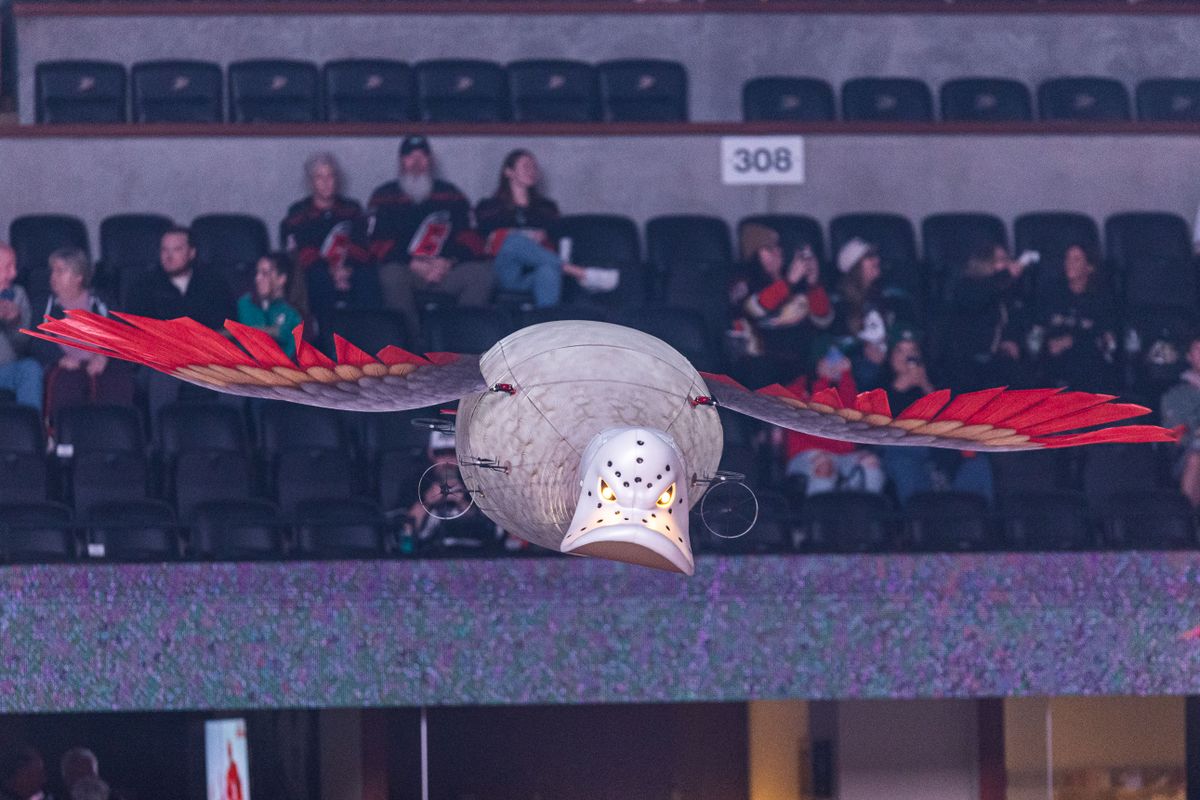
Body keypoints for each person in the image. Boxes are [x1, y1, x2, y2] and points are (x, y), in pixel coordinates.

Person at [367, 136, 493, 342]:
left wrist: (448, 261)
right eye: (410, 157)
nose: (416, 163)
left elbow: (472, 239)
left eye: (422, 157)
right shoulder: (384, 196)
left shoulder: (451, 194)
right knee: (390, 275)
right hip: (408, 270)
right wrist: (413, 263)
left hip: (447, 269)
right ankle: (412, 346)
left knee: (481, 274)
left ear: (430, 161)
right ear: (401, 161)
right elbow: (375, 243)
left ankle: (458, 340)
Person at [125, 226, 235, 417]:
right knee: (165, 371)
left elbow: (226, 324)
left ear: (192, 253)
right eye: (164, 250)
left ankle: (230, 437)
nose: (168, 256)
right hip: (160, 359)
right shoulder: (143, 286)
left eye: (176, 250)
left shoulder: (213, 283)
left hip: (207, 354)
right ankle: (162, 440)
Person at [475, 149, 600, 308]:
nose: (532, 171)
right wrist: (521, 235)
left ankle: (545, 327)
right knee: (513, 240)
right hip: (504, 271)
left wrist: (541, 237)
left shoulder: (546, 208)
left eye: (534, 167)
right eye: (526, 166)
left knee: (548, 271)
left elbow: (557, 237)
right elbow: (487, 237)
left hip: (534, 272)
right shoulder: (489, 206)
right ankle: (581, 273)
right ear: (509, 172)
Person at [879, 333, 994, 505]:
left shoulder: (933, 379)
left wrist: (925, 385)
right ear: (891, 356)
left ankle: (969, 519)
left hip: (941, 448)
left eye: (913, 351)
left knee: (976, 459)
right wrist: (900, 386)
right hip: (902, 449)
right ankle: (918, 521)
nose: (907, 357)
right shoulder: (879, 382)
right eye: (901, 351)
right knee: (903, 458)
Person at [31, 247, 135, 423]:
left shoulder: (101, 301)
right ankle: (62, 442)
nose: (53, 277)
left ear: (79, 277)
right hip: (65, 364)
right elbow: (35, 340)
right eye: (53, 271)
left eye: (60, 271)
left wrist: (103, 356)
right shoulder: (44, 304)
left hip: (101, 361)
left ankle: (114, 440)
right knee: (66, 385)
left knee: (117, 381)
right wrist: (60, 358)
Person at [728, 224, 834, 386]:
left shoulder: (797, 282)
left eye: (778, 247)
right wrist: (789, 282)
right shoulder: (744, 284)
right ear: (755, 254)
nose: (778, 252)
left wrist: (813, 282)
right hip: (764, 363)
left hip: (802, 360)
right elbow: (754, 308)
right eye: (769, 249)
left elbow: (823, 320)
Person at [778, 339, 884, 496]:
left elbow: (852, 418)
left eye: (840, 359)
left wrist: (846, 376)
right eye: (831, 359)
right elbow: (819, 418)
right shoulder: (795, 389)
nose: (837, 364)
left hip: (841, 455)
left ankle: (862, 516)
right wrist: (823, 380)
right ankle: (816, 520)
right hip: (806, 455)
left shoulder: (844, 387)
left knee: (870, 463)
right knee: (824, 465)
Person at [1028, 242, 1118, 391]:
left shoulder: (1101, 299)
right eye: (1067, 259)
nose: (1069, 264)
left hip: (1088, 363)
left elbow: (1106, 337)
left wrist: (1071, 341)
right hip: (1053, 361)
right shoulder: (1052, 294)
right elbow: (1038, 327)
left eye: (1076, 259)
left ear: (1090, 267)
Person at [281, 153, 363, 312]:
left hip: (349, 267)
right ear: (311, 183)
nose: (326, 183)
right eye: (320, 177)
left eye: (330, 176)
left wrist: (347, 269)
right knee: (317, 277)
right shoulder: (298, 213)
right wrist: (331, 271)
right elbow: (301, 250)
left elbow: (361, 244)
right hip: (315, 271)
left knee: (367, 275)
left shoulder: (352, 208)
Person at [944, 242, 1031, 391]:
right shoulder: (967, 287)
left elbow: (1013, 320)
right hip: (968, 364)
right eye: (1001, 260)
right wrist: (1007, 274)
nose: (1007, 263)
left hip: (996, 360)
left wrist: (1011, 340)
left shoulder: (1007, 293)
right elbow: (977, 300)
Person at [832, 238, 915, 390]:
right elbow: (838, 343)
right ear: (855, 267)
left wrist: (893, 349)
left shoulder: (890, 294)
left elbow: (905, 326)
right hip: (859, 366)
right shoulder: (840, 303)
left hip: (893, 359)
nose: (877, 259)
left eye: (876, 255)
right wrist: (864, 350)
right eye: (869, 256)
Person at [0, 242, 43, 411]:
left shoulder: (17, 294)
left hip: (5, 370)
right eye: (7, 267)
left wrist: (14, 322)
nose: (14, 273)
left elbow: (23, 346)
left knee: (30, 368)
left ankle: (32, 432)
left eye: (15, 267)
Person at [237, 252, 303, 358]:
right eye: (257, 272)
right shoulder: (245, 304)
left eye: (265, 273)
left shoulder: (292, 315)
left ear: (281, 278)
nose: (257, 278)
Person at [1162, 334, 1200, 508]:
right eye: (1198, 349)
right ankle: (1188, 521)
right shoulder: (1176, 396)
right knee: (1196, 456)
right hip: (1187, 454)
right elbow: (1176, 436)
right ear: (1189, 357)